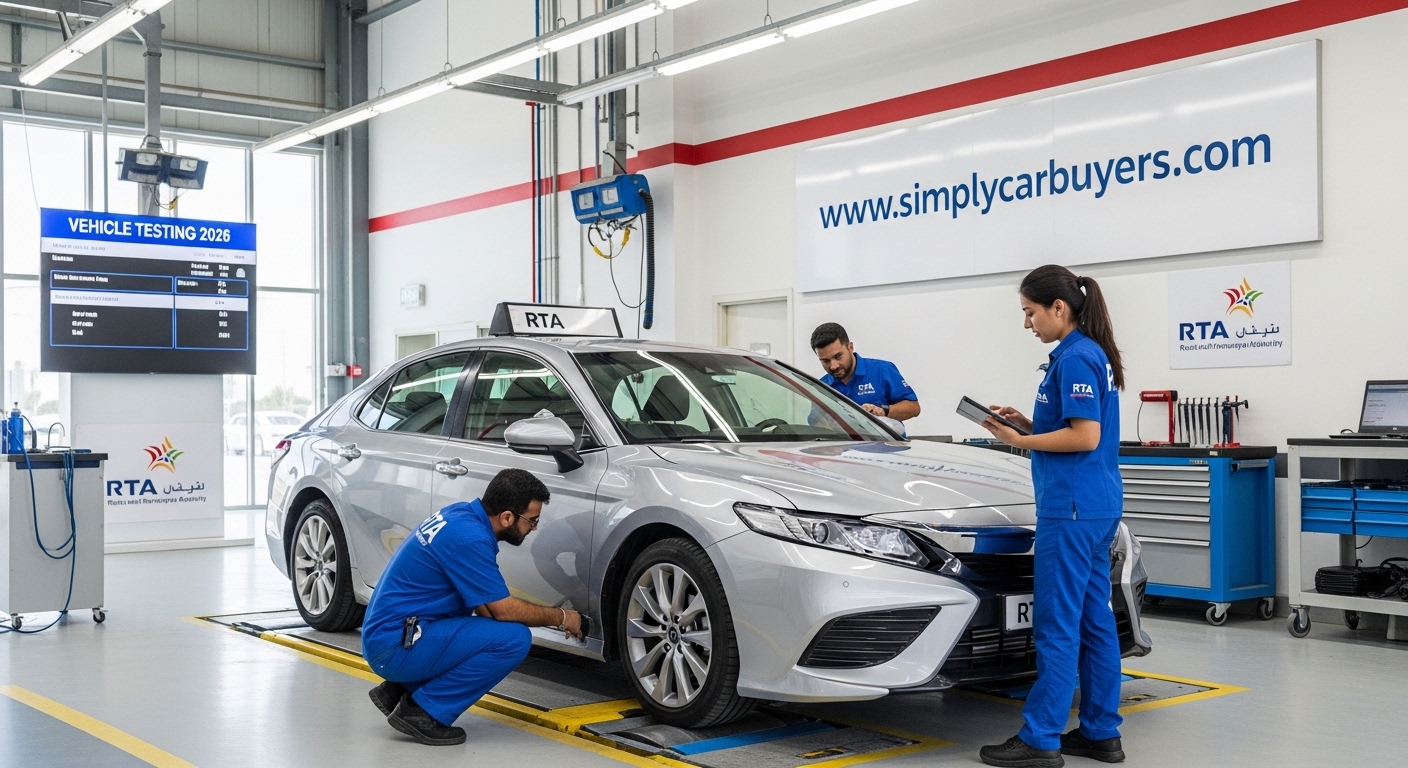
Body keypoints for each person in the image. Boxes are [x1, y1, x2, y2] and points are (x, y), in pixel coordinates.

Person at [976, 265, 1127, 768]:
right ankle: (1102, 733)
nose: (1027, 324)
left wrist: (1020, 441)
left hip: (1072, 509)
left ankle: (1041, 738)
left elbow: (1084, 436)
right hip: (1097, 505)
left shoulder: (1077, 357)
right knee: (1094, 620)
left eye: (1029, 313)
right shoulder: (1085, 355)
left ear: (1058, 308)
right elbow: (1075, 426)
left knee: (1057, 626)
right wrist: (1029, 422)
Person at [361, 468, 584, 746]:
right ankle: (423, 711)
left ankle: (400, 689)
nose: (535, 528)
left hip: (394, 633)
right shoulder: (471, 539)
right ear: (507, 517)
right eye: (532, 520)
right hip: (394, 645)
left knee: (493, 627)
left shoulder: (460, 515)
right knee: (514, 640)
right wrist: (562, 617)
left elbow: (487, 608)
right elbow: (503, 610)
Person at [810, 322, 920, 421]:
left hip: (885, 443)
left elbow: (914, 408)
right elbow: (815, 424)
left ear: (850, 347)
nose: (833, 366)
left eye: (838, 356)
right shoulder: (822, 387)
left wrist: (884, 411)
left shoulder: (882, 370)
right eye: (825, 361)